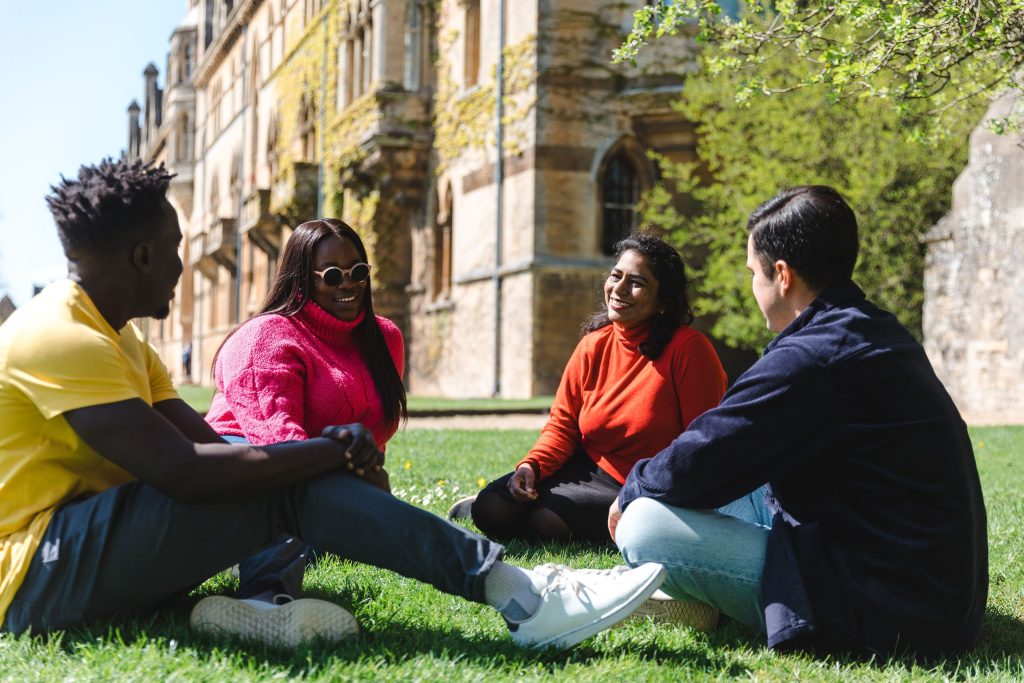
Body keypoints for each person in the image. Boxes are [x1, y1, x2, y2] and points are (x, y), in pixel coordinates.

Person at [0, 157, 668, 651]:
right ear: (142, 256)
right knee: (283, 477)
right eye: (175, 251)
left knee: (278, 471)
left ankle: (513, 590)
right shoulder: (62, 334)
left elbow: (210, 444)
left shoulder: (121, 339)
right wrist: (326, 449)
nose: (181, 266)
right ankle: (523, 595)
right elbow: (187, 473)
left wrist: (312, 456)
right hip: (32, 573)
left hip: (86, 541)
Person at [608, 186, 988, 658]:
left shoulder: (815, 356)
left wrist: (631, 489)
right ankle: (700, 594)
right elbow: (726, 439)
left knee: (644, 524)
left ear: (782, 276)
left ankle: (694, 593)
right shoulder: (869, 328)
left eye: (753, 273)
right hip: (933, 592)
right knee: (734, 476)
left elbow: (701, 456)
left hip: (887, 606)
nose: (752, 286)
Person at [453, 233, 727, 546]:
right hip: (585, 467)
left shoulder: (689, 349)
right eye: (616, 275)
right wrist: (533, 466)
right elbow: (562, 425)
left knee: (547, 521)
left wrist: (647, 491)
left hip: (641, 483)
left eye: (636, 282)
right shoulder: (593, 345)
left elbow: (701, 445)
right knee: (492, 508)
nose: (619, 289)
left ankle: (543, 515)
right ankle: (502, 508)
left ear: (663, 300)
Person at [203, 218, 405, 604]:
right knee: (286, 502)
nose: (348, 284)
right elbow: (280, 445)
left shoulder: (385, 338)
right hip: (246, 457)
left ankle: (240, 548)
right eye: (331, 275)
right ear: (301, 279)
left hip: (322, 465)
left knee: (366, 527)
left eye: (358, 271)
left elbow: (375, 432)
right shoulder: (266, 336)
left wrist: (371, 489)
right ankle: (265, 601)